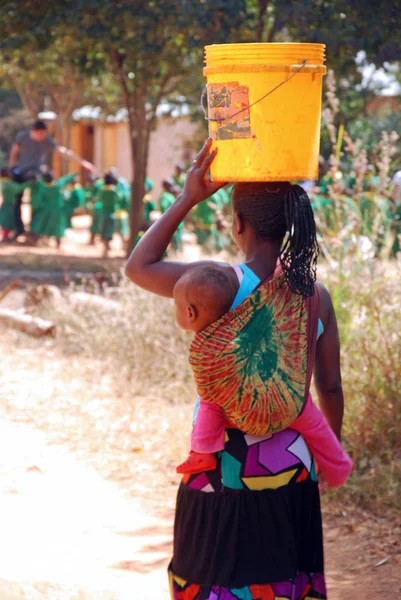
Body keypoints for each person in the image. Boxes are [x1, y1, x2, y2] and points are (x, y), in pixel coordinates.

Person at [125, 139, 346, 599]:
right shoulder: (315, 295)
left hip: (220, 468)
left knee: (214, 579)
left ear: (237, 223)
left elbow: (138, 266)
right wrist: (327, 455)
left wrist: (188, 196)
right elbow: (330, 386)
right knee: (285, 581)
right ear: (288, 225)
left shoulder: (218, 284)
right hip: (292, 464)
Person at [173, 263, 353, 486]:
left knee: (210, 402)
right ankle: (339, 465)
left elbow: (138, 268)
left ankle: (202, 453)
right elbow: (330, 386)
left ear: (190, 313)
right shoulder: (303, 292)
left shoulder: (206, 349)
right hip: (289, 403)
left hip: (239, 420)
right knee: (316, 426)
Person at [30, 172, 79, 248]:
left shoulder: (44, 188)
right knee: (58, 227)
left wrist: (35, 208)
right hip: (58, 210)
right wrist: (76, 173)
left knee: (41, 225)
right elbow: (66, 178)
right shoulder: (58, 185)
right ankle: (58, 244)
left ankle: (35, 240)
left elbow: (39, 200)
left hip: (46, 210)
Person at [0, 168, 31, 241]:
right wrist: (29, 182)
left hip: (5, 204)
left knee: (5, 221)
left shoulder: (2, 182)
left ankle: (6, 236)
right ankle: (6, 236)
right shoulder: (9, 184)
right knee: (8, 221)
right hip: (10, 205)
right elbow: (19, 188)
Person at [97, 173, 123, 257]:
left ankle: (105, 249)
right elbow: (120, 198)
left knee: (104, 231)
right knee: (110, 231)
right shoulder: (114, 190)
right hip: (112, 213)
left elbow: (98, 199)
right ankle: (108, 248)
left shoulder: (102, 190)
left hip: (104, 212)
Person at [159, 179, 183, 252]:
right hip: (171, 220)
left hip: (176, 220)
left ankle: (178, 250)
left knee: (178, 236)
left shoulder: (170, 195)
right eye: (170, 186)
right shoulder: (164, 196)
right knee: (174, 237)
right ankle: (175, 251)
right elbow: (164, 208)